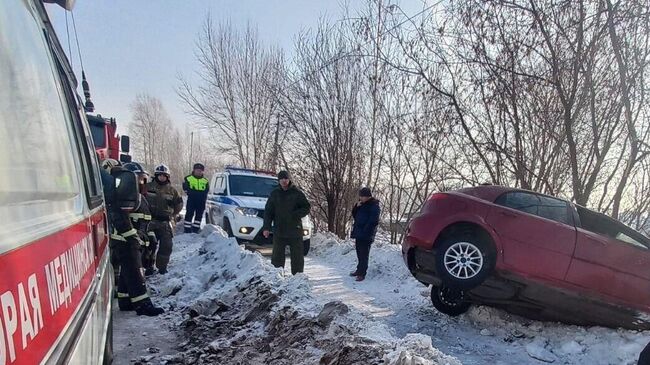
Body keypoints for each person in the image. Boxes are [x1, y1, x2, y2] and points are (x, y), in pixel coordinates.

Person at [102, 160, 164, 316]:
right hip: (125, 240)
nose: (143, 182)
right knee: (135, 273)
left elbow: (145, 221)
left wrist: (150, 239)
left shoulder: (139, 198)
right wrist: (132, 237)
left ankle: (125, 300)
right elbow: (120, 219)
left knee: (127, 272)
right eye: (140, 179)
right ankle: (143, 305)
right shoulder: (123, 195)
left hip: (134, 240)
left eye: (144, 179)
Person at [262, 170, 311, 275]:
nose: (284, 181)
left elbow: (306, 207)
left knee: (297, 256)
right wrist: (266, 228)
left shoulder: (297, 193)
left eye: (286, 179)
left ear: (289, 180)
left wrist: (296, 214)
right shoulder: (275, 194)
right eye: (282, 179)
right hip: (279, 229)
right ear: (279, 181)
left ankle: (298, 277)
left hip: (295, 229)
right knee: (277, 256)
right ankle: (277, 275)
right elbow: (268, 212)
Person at [146, 164, 183, 274]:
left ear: (167, 177)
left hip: (165, 222)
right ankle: (149, 266)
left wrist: (172, 215)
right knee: (149, 245)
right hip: (150, 221)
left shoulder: (172, 191)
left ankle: (162, 267)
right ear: (156, 176)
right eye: (160, 175)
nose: (162, 177)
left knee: (166, 246)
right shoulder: (147, 187)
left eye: (164, 176)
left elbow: (179, 205)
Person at [349, 187, 381, 282]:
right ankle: (359, 270)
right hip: (359, 232)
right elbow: (355, 215)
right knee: (359, 252)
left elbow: (373, 221)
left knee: (364, 254)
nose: (361, 198)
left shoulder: (374, 205)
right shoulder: (362, 205)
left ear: (368, 196)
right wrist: (356, 207)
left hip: (366, 234)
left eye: (362, 196)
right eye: (360, 196)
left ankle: (362, 273)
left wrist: (365, 230)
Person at [182, 163, 209, 233]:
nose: (198, 172)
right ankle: (187, 230)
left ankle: (196, 229)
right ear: (194, 170)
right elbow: (185, 188)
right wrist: (195, 193)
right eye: (197, 170)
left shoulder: (205, 181)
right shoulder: (188, 178)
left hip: (201, 201)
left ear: (202, 171)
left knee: (199, 216)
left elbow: (206, 190)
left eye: (200, 171)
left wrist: (198, 194)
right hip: (192, 200)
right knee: (189, 214)